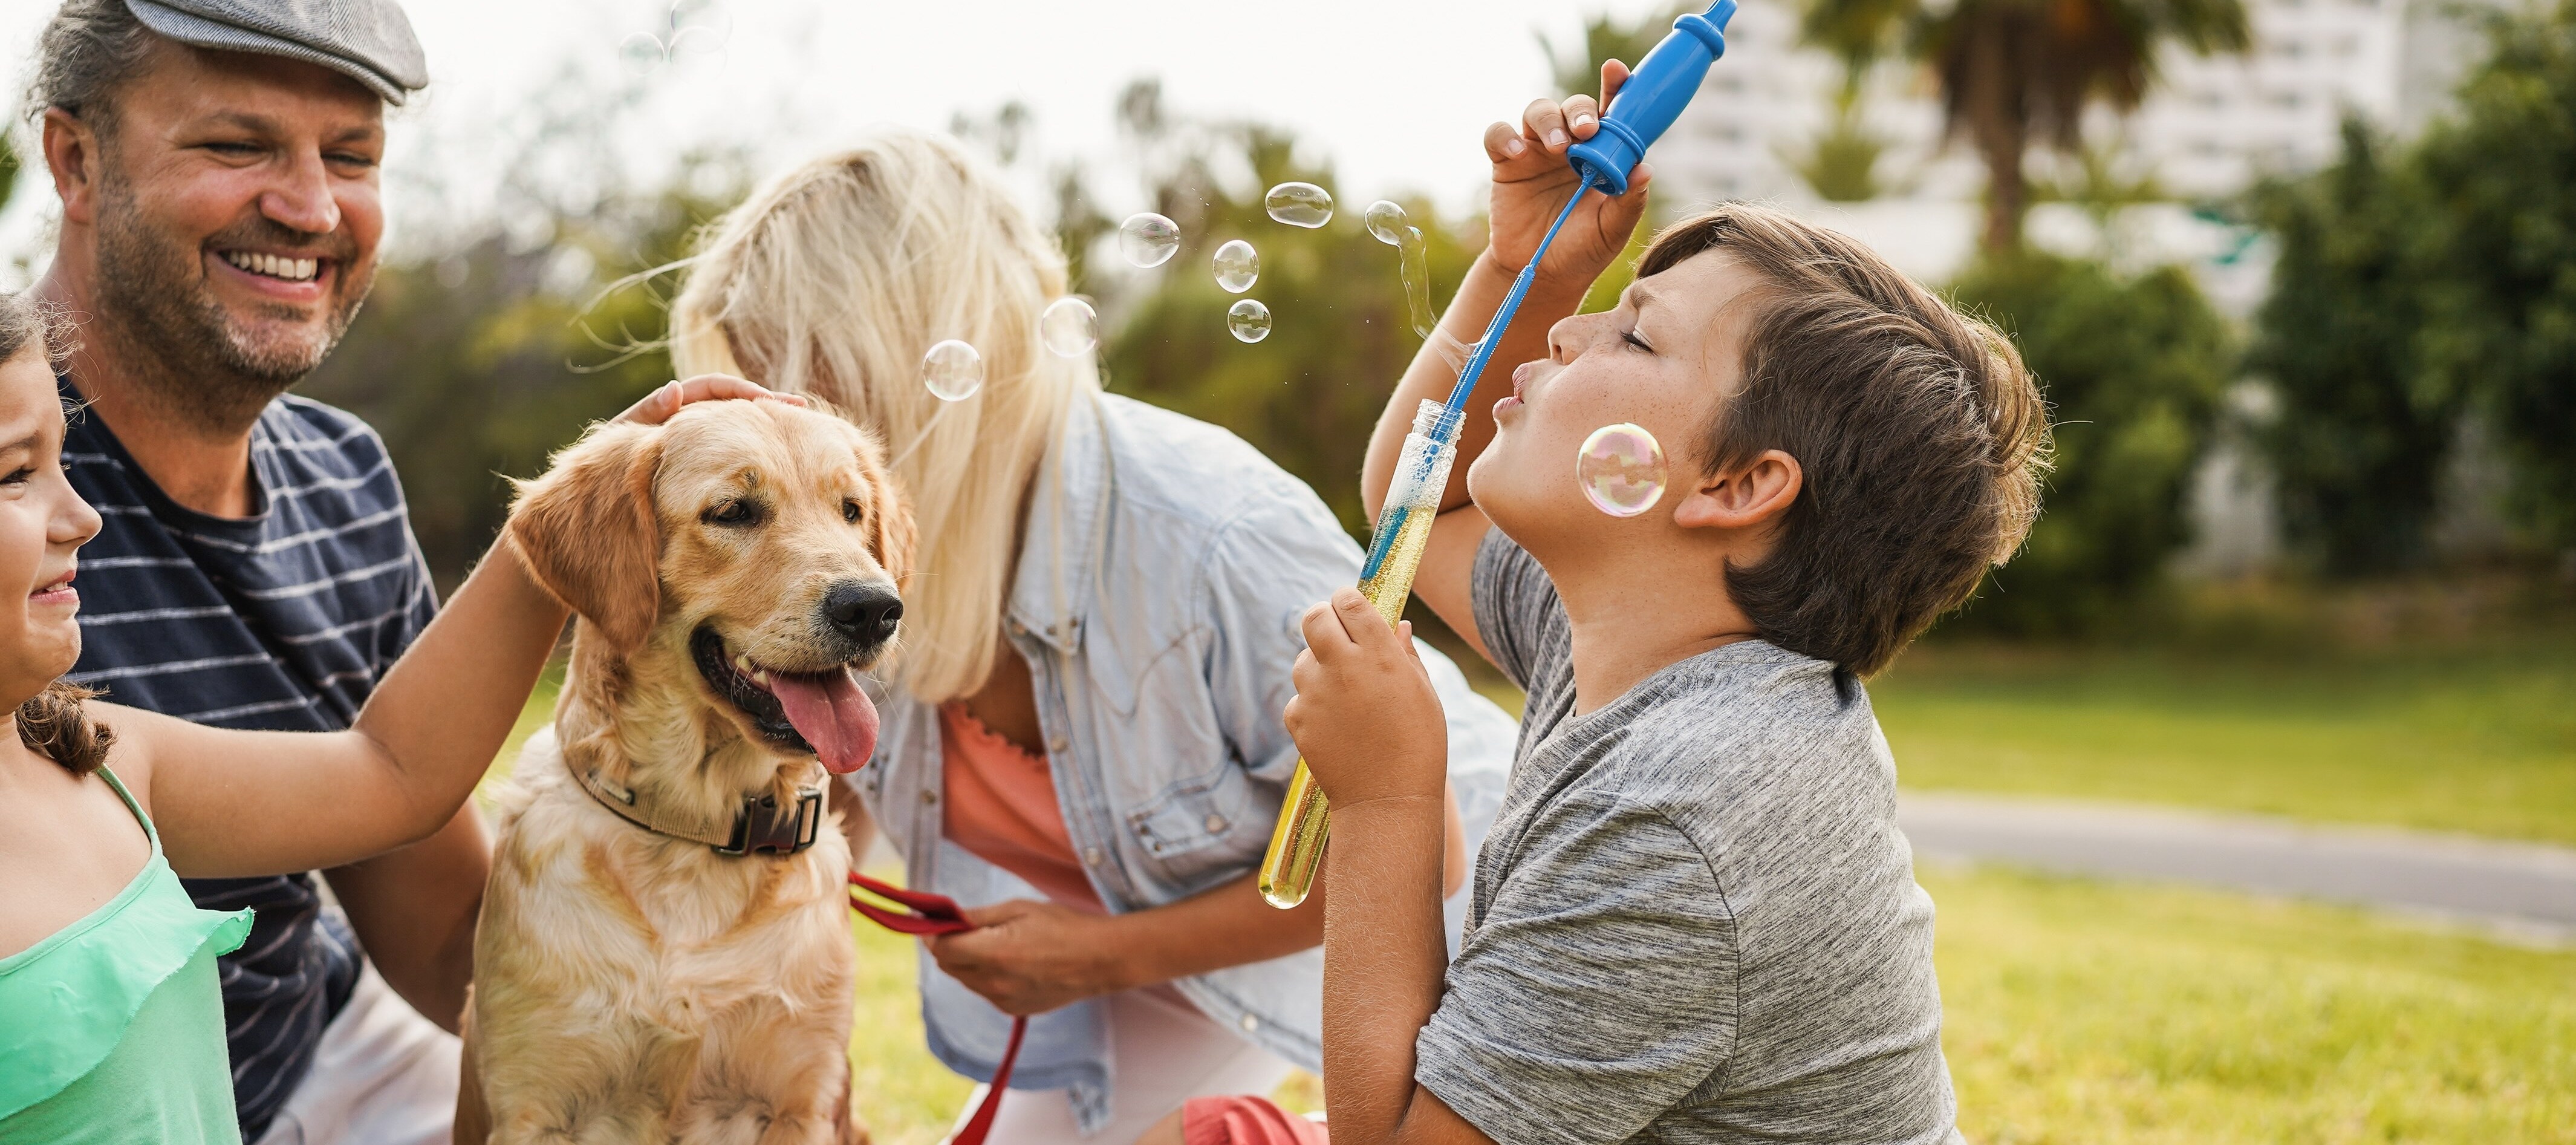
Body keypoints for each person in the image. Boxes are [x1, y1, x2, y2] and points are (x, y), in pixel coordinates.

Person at [1156, 74, 2048, 1144]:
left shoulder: (1682, 814)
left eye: (1634, 337)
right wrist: (1524, 266)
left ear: (1735, 487)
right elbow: (1416, 498)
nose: (1570, 333)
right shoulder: (1644, 641)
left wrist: (1385, 799)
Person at [667, 129, 1521, 1143]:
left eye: (799, 384)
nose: (783, 433)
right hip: (1161, 953)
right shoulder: (852, 549)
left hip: (1447, 953)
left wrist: (1096, 957)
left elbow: (1415, 844)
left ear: (901, 363)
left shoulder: (1211, 538)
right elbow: (825, 801)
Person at [0, 293, 788, 1143]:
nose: (85, 517)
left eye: (64, 462)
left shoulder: (106, 763)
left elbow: (394, 770)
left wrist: (592, 505)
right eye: (14, 472)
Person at [30, 2, 472, 1140]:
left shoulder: (346, 477)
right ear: (75, 160)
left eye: (353, 157)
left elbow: (445, 932)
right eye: (238, 145)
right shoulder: (17, 520)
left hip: (325, 1045)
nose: (313, 208)